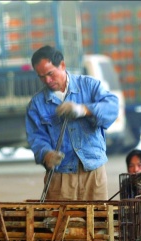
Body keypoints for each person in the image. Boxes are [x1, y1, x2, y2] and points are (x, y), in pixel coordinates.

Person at [25, 45, 119, 201]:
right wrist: (46, 154)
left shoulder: (90, 86)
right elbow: (36, 138)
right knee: (61, 224)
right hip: (61, 177)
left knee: (97, 222)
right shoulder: (36, 104)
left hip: (93, 172)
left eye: (50, 74)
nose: (47, 80)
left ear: (62, 65)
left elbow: (112, 107)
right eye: (41, 77)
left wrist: (84, 110)